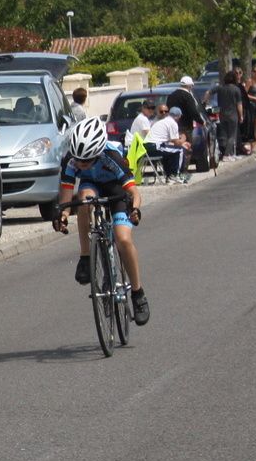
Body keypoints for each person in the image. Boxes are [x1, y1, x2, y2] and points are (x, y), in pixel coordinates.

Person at [53, 115, 148, 324]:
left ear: (97, 152)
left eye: (85, 160)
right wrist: (64, 214)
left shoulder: (112, 156)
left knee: (123, 239)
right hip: (92, 186)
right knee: (84, 201)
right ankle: (86, 257)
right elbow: (67, 195)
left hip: (116, 189)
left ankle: (138, 293)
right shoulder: (72, 160)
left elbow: (134, 193)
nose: (79, 163)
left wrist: (135, 210)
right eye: (77, 159)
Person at [144, 104, 192, 183]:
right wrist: (184, 138)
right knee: (180, 150)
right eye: (180, 117)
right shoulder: (172, 123)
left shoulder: (163, 121)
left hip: (148, 146)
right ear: (177, 116)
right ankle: (177, 175)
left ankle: (169, 176)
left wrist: (182, 143)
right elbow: (177, 143)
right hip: (154, 146)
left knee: (170, 152)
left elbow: (170, 141)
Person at [214, 69, 245, 159]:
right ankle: (227, 154)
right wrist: (241, 115)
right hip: (233, 115)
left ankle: (230, 153)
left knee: (224, 135)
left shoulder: (220, 88)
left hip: (222, 114)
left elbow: (209, 92)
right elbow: (239, 104)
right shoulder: (236, 89)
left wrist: (205, 101)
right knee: (232, 135)